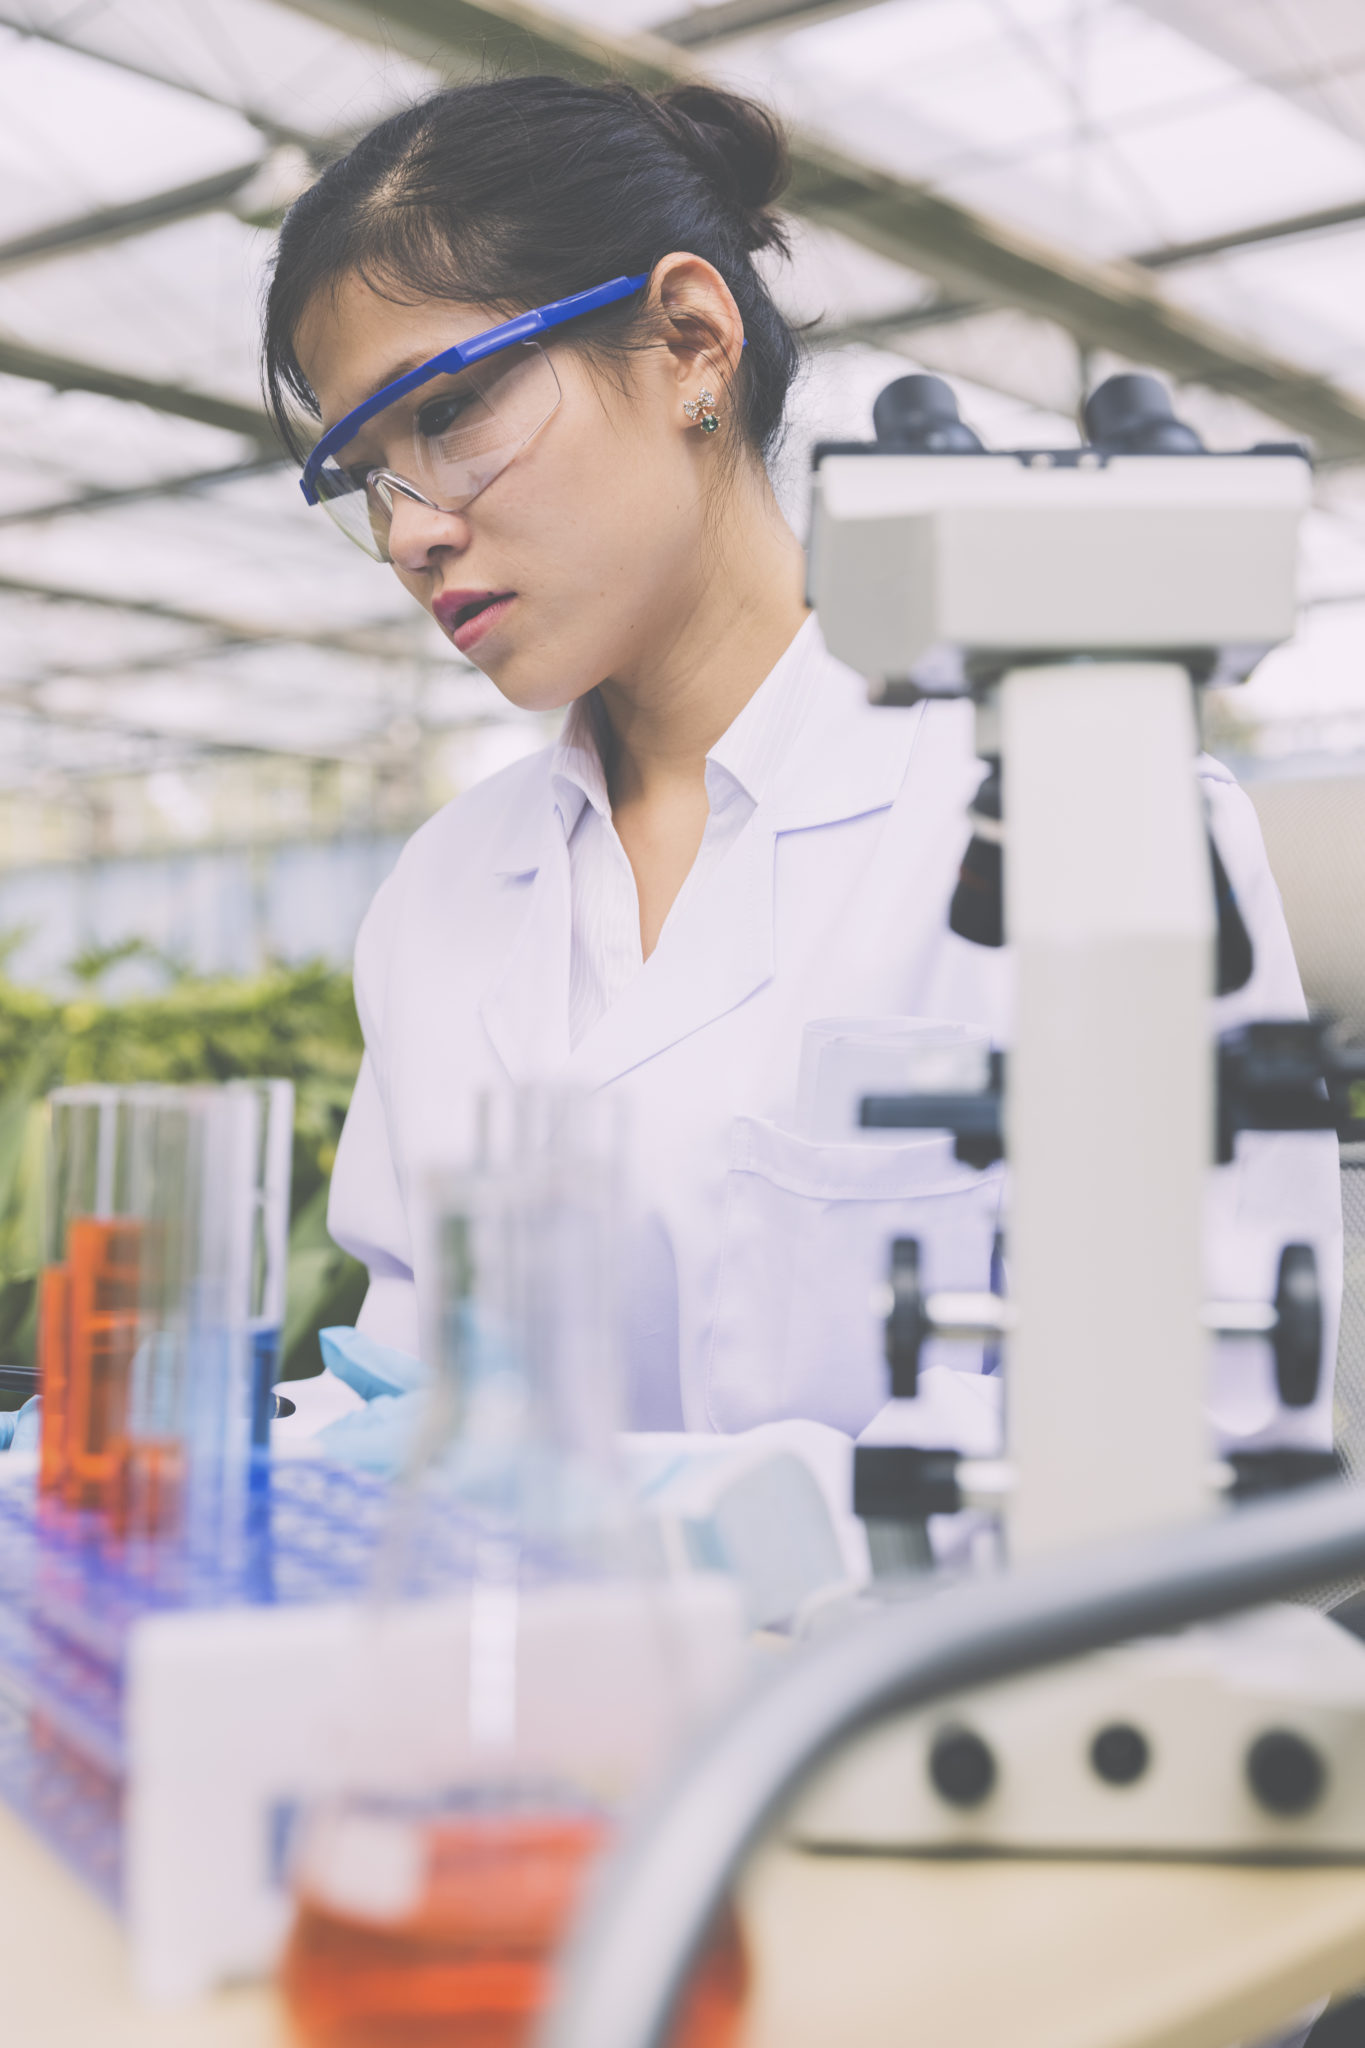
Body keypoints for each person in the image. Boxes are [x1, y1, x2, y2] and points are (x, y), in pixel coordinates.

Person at [262, 75, 1340, 1456]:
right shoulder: (444, 892)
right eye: (364, 474)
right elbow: (404, 1386)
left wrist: (699, 1534)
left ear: (689, 338)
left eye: (451, 411)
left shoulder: (1060, 807)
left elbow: (1209, 1410)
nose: (410, 532)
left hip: (910, 1671)